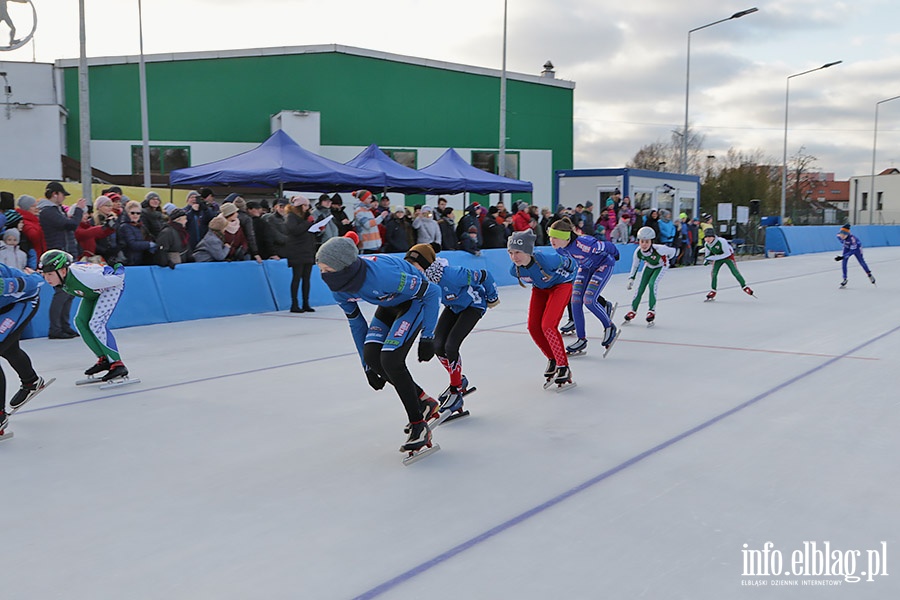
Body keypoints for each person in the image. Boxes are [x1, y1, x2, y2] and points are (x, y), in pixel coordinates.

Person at [316, 235, 442, 456]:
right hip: (387, 304)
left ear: (343, 267)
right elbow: (356, 323)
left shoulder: (384, 275)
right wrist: (366, 365)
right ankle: (423, 401)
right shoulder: (339, 290)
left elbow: (432, 292)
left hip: (413, 302)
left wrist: (428, 336)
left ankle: (418, 424)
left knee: (391, 360)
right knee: (374, 358)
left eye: (326, 270)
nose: (323, 276)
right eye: (320, 269)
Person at [404, 243, 498, 420]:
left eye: (415, 266)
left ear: (425, 264)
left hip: (473, 305)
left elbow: (485, 275)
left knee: (451, 346)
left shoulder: (453, 274)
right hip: (454, 307)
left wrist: (492, 297)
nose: (413, 271)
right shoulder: (424, 281)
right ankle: (458, 379)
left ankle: (456, 390)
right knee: (437, 346)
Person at [38, 250, 130, 382]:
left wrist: (118, 266)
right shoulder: (65, 276)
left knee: (96, 324)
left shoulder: (84, 277)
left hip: (111, 286)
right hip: (93, 292)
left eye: (50, 274)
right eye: (44, 274)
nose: (47, 279)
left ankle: (117, 364)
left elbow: (118, 278)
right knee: (80, 322)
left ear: (63, 271)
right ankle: (104, 359)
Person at [507, 229, 577, 390]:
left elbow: (572, 264)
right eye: (510, 253)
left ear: (528, 251)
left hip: (561, 286)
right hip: (540, 289)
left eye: (517, 252)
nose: (514, 257)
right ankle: (552, 358)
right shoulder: (515, 270)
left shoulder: (547, 259)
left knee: (548, 325)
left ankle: (563, 365)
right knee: (533, 327)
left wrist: (570, 279)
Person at [547, 217, 619, 357]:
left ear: (566, 237)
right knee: (575, 300)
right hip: (585, 268)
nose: (551, 240)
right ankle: (581, 339)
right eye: (550, 236)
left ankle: (609, 326)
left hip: (603, 265)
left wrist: (616, 255)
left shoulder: (584, 243)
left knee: (589, 300)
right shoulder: (560, 249)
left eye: (555, 237)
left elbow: (608, 246)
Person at [0, 261, 51, 438]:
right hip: (3, 306)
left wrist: (8, 285)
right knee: (8, 349)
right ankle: (31, 381)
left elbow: (36, 280)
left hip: (23, 301)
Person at [38, 181, 85, 339]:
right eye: (62, 194)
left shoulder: (56, 211)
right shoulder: (47, 212)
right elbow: (70, 225)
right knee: (61, 293)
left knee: (69, 292)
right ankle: (55, 329)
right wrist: (78, 210)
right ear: (55, 194)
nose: (63, 198)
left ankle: (64, 326)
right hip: (57, 257)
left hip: (65, 255)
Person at [623, 227, 676, 326]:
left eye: (647, 242)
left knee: (652, 284)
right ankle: (633, 311)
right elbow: (635, 265)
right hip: (649, 266)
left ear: (651, 242)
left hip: (661, 266)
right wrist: (631, 278)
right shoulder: (638, 252)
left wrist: (667, 258)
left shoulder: (660, 249)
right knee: (640, 288)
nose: (644, 244)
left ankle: (651, 311)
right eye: (642, 241)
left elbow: (673, 251)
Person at [284, 195, 317, 312]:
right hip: (296, 251)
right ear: (301, 206)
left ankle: (306, 303)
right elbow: (294, 230)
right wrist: (308, 223)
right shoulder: (291, 216)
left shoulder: (305, 217)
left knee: (307, 279)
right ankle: (294, 304)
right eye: (306, 205)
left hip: (307, 250)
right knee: (297, 277)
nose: (308, 208)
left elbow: (308, 231)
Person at [702, 230, 754, 300]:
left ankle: (744, 286)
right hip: (717, 257)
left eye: (709, 237)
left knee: (734, 271)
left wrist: (712, 258)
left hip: (728, 257)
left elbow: (726, 254)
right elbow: (707, 255)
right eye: (706, 237)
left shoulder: (721, 241)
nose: (707, 239)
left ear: (714, 237)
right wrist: (706, 260)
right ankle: (713, 290)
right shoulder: (707, 244)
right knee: (714, 273)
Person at [117, 200, 158, 265]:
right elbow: (132, 244)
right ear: (127, 213)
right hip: (130, 260)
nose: (135, 215)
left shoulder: (141, 225)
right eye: (132, 213)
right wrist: (149, 244)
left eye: (138, 213)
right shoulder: (125, 227)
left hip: (140, 259)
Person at [835, 223, 875, 288]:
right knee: (844, 262)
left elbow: (852, 252)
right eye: (841, 234)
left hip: (856, 249)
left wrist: (843, 256)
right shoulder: (838, 236)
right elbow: (843, 241)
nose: (842, 236)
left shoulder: (852, 240)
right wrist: (843, 257)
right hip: (847, 247)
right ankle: (844, 279)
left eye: (844, 235)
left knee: (861, 262)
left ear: (847, 234)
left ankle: (869, 274)